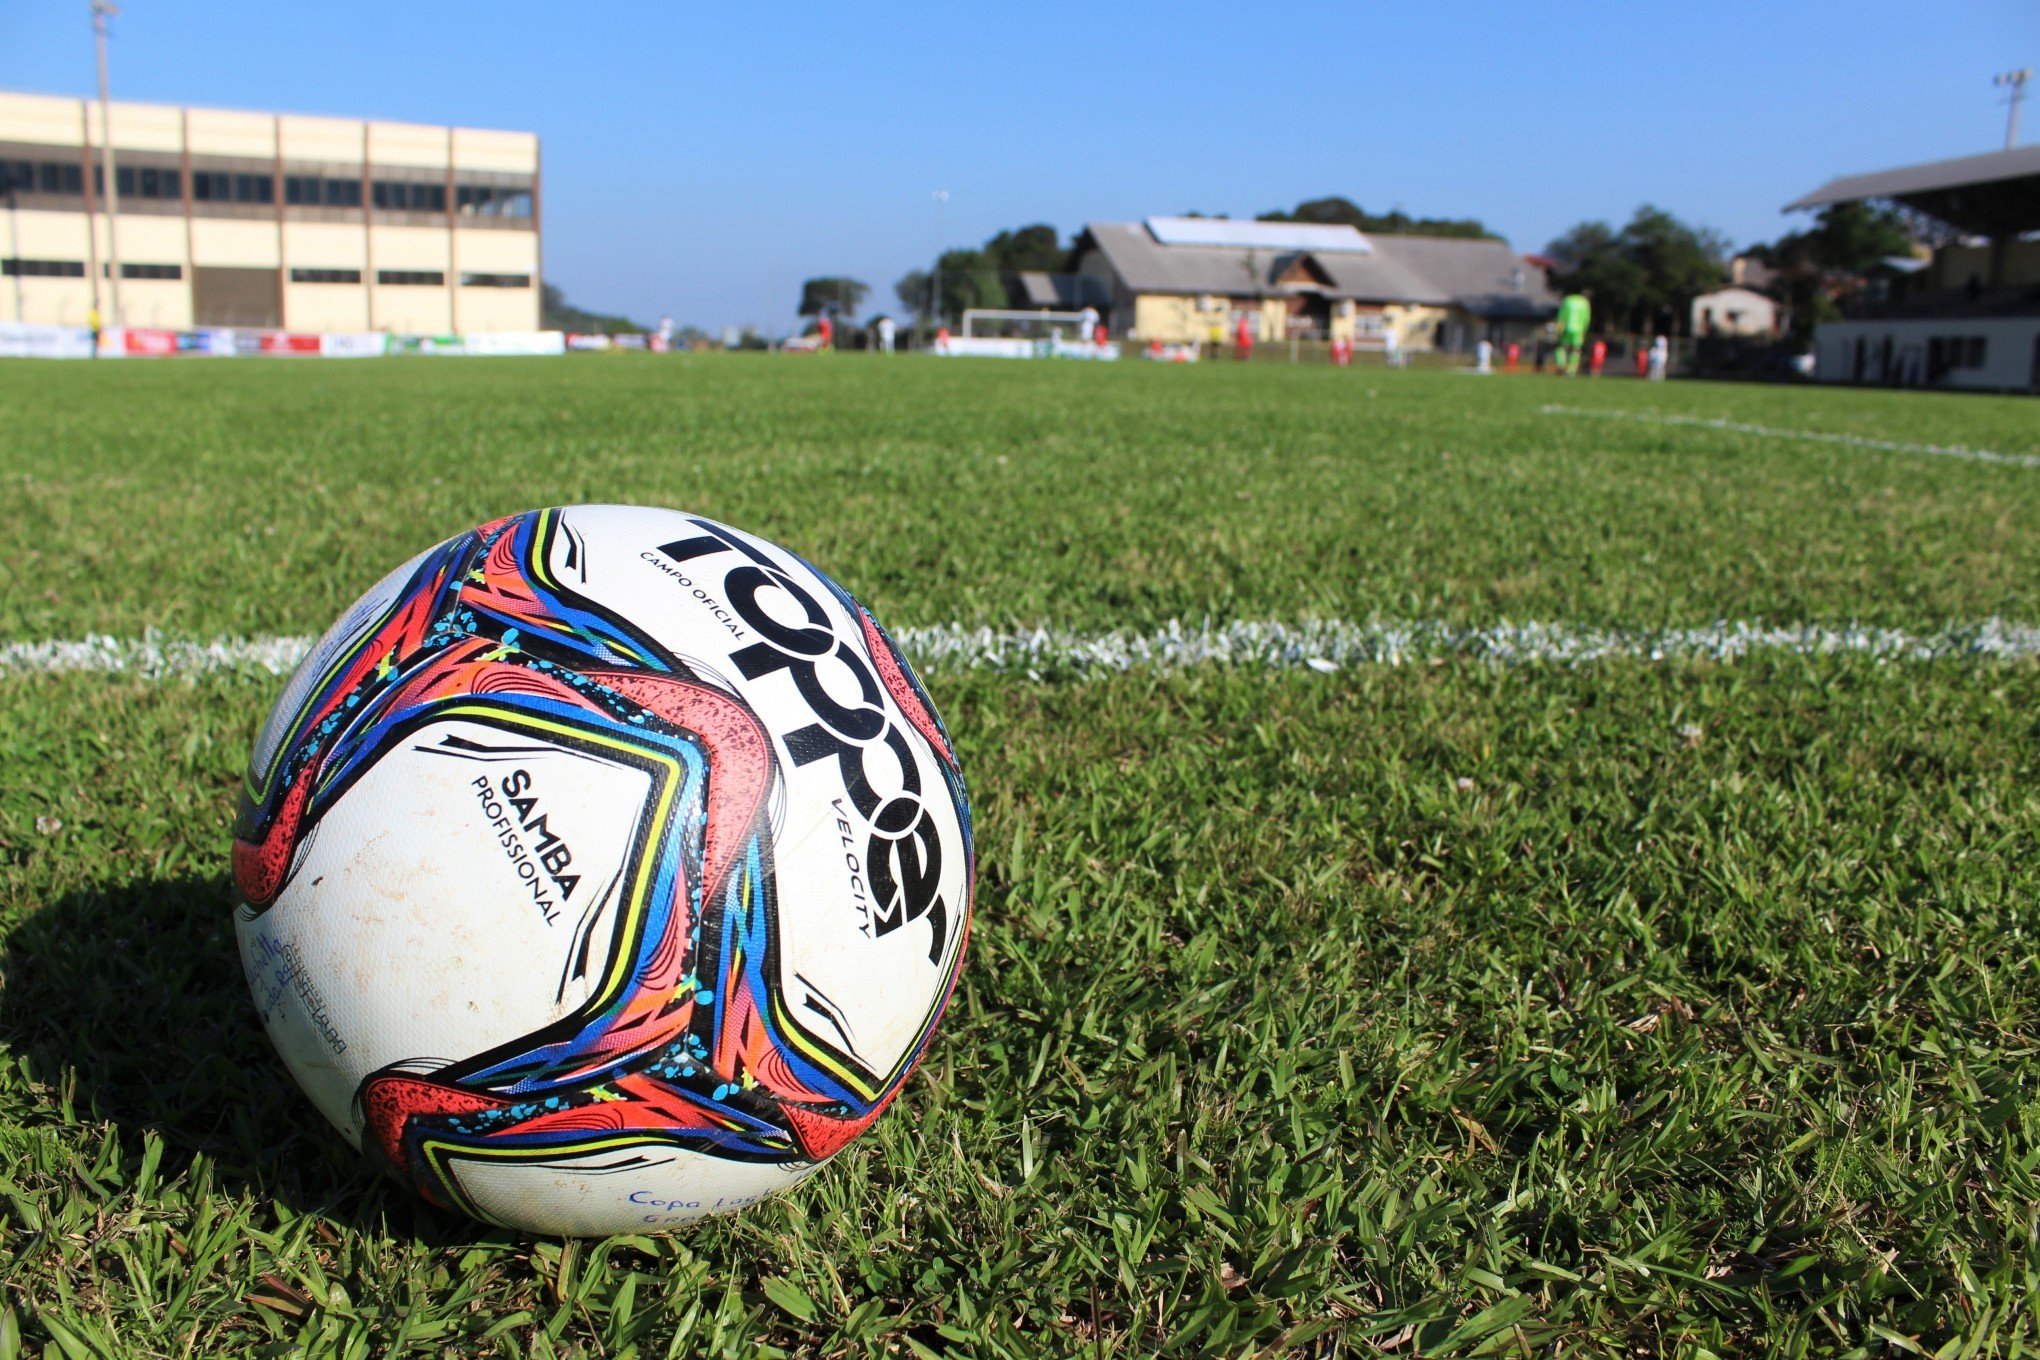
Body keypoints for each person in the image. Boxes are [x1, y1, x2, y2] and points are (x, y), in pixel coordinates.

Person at [1554, 290, 1590, 376]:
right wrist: (1584, 330)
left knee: (1561, 347)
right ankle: (1571, 370)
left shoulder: (1567, 300)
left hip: (1566, 327)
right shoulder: (1585, 302)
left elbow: (1561, 315)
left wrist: (1558, 328)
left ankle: (1561, 363)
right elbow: (1587, 319)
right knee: (1576, 349)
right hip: (1578, 329)